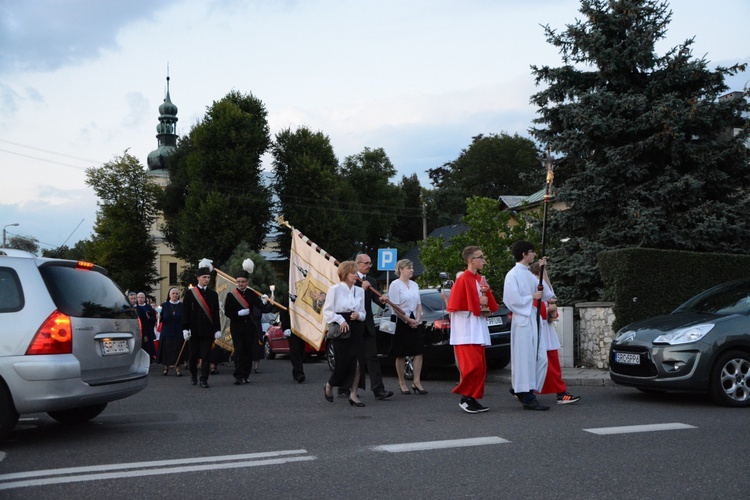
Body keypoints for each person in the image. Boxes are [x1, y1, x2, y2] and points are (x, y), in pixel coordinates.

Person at [503, 241, 554, 410]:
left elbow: (547, 294)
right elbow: (511, 300)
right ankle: (526, 394)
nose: (534, 255)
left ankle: (523, 388)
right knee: (525, 358)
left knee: (539, 357)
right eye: (531, 252)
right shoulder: (513, 274)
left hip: (533, 318)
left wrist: (543, 271)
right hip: (523, 319)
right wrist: (531, 297)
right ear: (524, 254)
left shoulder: (530, 274)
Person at [448, 246, 499, 413]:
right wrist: (478, 303)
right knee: (473, 367)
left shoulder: (478, 280)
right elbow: (457, 306)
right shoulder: (463, 279)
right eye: (480, 257)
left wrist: (485, 305)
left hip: (477, 329)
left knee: (480, 367)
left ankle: (473, 397)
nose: (483, 260)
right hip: (466, 331)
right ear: (471, 260)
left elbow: (485, 305)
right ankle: (465, 398)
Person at [529, 261, 581, 405]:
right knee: (548, 364)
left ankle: (521, 389)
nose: (546, 276)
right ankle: (561, 393)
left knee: (549, 363)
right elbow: (533, 307)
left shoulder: (543, 285)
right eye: (544, 273)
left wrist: (552, 310)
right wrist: (549, 310)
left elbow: (548, 299)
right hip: (539, 328)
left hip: (546, 329)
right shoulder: (532, 284)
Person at [323, 260, 367, 407]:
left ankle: (353, 394)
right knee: (343, 363)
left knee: (359, 363)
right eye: (353, 273)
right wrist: (341, 320)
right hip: (341, 328)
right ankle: (330, 384)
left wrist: (358, 315)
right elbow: (327, 311)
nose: (356, 275)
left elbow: (363, 312)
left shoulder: (360, 291)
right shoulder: (334, 290)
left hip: (356, 328)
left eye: (356, 273)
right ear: (345, 274)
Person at [355, 253, 393, 400]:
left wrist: (382, 300)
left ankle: (378, 390)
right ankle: (345, 388)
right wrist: (362, 289)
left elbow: (376, 300)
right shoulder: (351, 279)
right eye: (366, 263)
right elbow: (349, 299)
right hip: (354, 324)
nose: (369, 265)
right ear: (358, 263)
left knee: (372, 357)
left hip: (368, 325)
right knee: (353, 358)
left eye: (370, 263)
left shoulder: (371, 280)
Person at [224, 264, 271, 385]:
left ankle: (246, 375)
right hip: (237, 327)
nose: (240, 284)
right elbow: (227, 312)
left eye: (243, 281)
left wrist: (268, 301)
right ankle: (238, 375)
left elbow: (263, 308)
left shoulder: (252, 294)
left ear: (247, 282)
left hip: (249, 327)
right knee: (239, 351)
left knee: (248, 352)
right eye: (238, 281)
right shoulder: (231, 295)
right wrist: (238, 314)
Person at [388, 258, 426, 395]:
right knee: (400, 353)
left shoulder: (414, 285)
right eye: (409, 268)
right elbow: (395, 306)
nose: (412, 270)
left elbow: (418, 304)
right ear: (401, 270)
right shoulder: (395, 285)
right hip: (401, 321)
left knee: (418, 351)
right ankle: (402, 382)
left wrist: (417, 319)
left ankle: (416, 381)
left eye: (412, 267)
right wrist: (407, 320)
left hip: (413, 321)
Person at [182, 260, 222, 389]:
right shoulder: (189, 293)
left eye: (208, 277)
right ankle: (194, 374)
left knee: (206, 356)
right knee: (192, 356)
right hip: (194, 330)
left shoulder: (213, 294)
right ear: (198, 278)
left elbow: (216, 313)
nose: (206, 279)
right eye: (204, 277)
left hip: (207, 330)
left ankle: (204, 379)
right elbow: (186, 312)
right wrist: (185, 328)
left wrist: (217, 329)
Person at [157, 287, 185, 376]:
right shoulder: (164, 305)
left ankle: (177, 368)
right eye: (173, 293)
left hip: (178, 331)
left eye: (176, 293)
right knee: (167, 350)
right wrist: (158, 317)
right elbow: (160, 319)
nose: (175, 295)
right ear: (169, 295)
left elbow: (185, 319)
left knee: (177, 350)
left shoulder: (182, 306)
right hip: (167, 331)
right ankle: (166, 367)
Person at [280, 294, 305, 383]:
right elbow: (283, 311)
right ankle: (299, 373)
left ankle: (296, 371)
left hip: (303, 327)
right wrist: (285, 327)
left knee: (301, 350)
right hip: (291, 327)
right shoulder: (287, 295)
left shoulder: (304, 292)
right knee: (295, 350)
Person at [135, 292, 157, 362]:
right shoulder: (135, 307)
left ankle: (149, 359)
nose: (140, 299)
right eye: (138, 297)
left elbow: (154, 319)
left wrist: (149, 318)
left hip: (148, 329)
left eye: (142, 297)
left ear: (144, 299)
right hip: (138, 329)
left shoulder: (148, 308)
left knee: (148, 345)